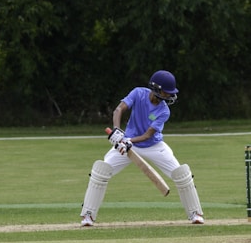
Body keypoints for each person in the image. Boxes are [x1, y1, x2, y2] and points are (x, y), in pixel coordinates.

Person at [79, 70, 205, 226]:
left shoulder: (164, 110)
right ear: (156, 89)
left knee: (181, 174)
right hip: (126, 144)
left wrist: (128, 140)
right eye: (167, 92)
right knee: (101, 170)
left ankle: (195, 214)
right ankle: (88, 215)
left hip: (153, 145)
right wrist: (117, 132)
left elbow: (147, 135)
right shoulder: (138, 93)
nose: (169, 96)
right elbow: (118, 110)